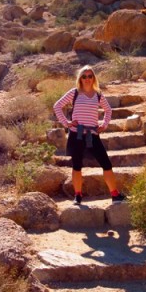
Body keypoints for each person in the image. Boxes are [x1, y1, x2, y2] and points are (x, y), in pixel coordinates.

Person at [53, 65, 125, 205]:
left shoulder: (98, 95)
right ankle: (78, 196)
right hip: (76, 134)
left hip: (92, 134)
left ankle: (115, 194)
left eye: (90, 76)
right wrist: (66, 123)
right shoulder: (74, 93)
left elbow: (108, 110)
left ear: (93, 78)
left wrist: (104, 125)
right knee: (77, 166)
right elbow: (57, 106)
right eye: (84, 76)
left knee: (106, 164)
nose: (87, 79)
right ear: (80, 78)